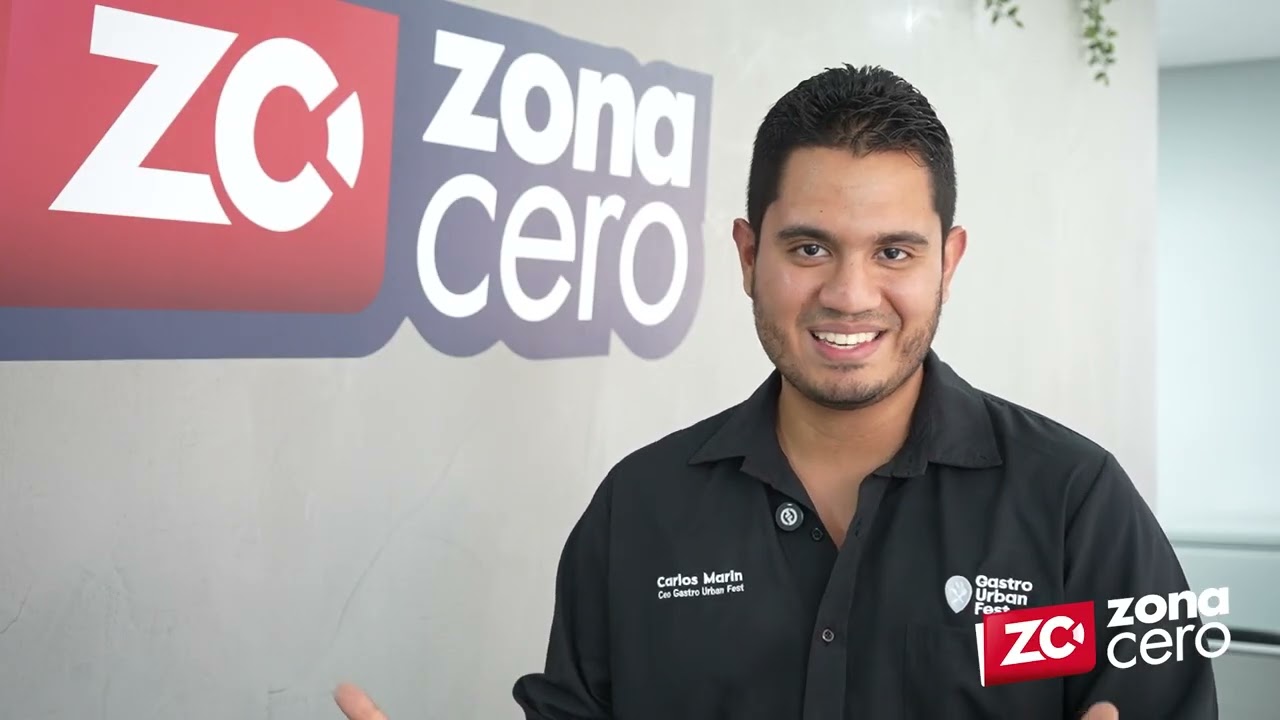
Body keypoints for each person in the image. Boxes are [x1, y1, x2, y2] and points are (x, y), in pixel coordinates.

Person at [334, 65, 1217, 719]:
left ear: (948, 262)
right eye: (808, 248)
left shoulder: (1074, 503)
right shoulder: (638, 510)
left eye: (894, 252)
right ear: (749, 255)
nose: (850, 294)